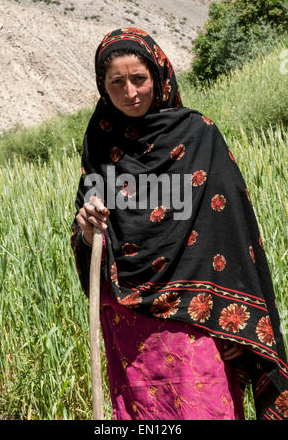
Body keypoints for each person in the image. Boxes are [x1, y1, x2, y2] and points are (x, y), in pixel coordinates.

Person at [71, 28, 288, 420]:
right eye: (116, 83)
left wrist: (233, 320)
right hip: (129, 322)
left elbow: (231, 232)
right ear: (102, 86)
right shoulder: (99, 140)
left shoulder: (198, 136)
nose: (130, 92)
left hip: (198, 320)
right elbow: (89, 232)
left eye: (139, 79)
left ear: (159, 76)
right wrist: (88, 229)